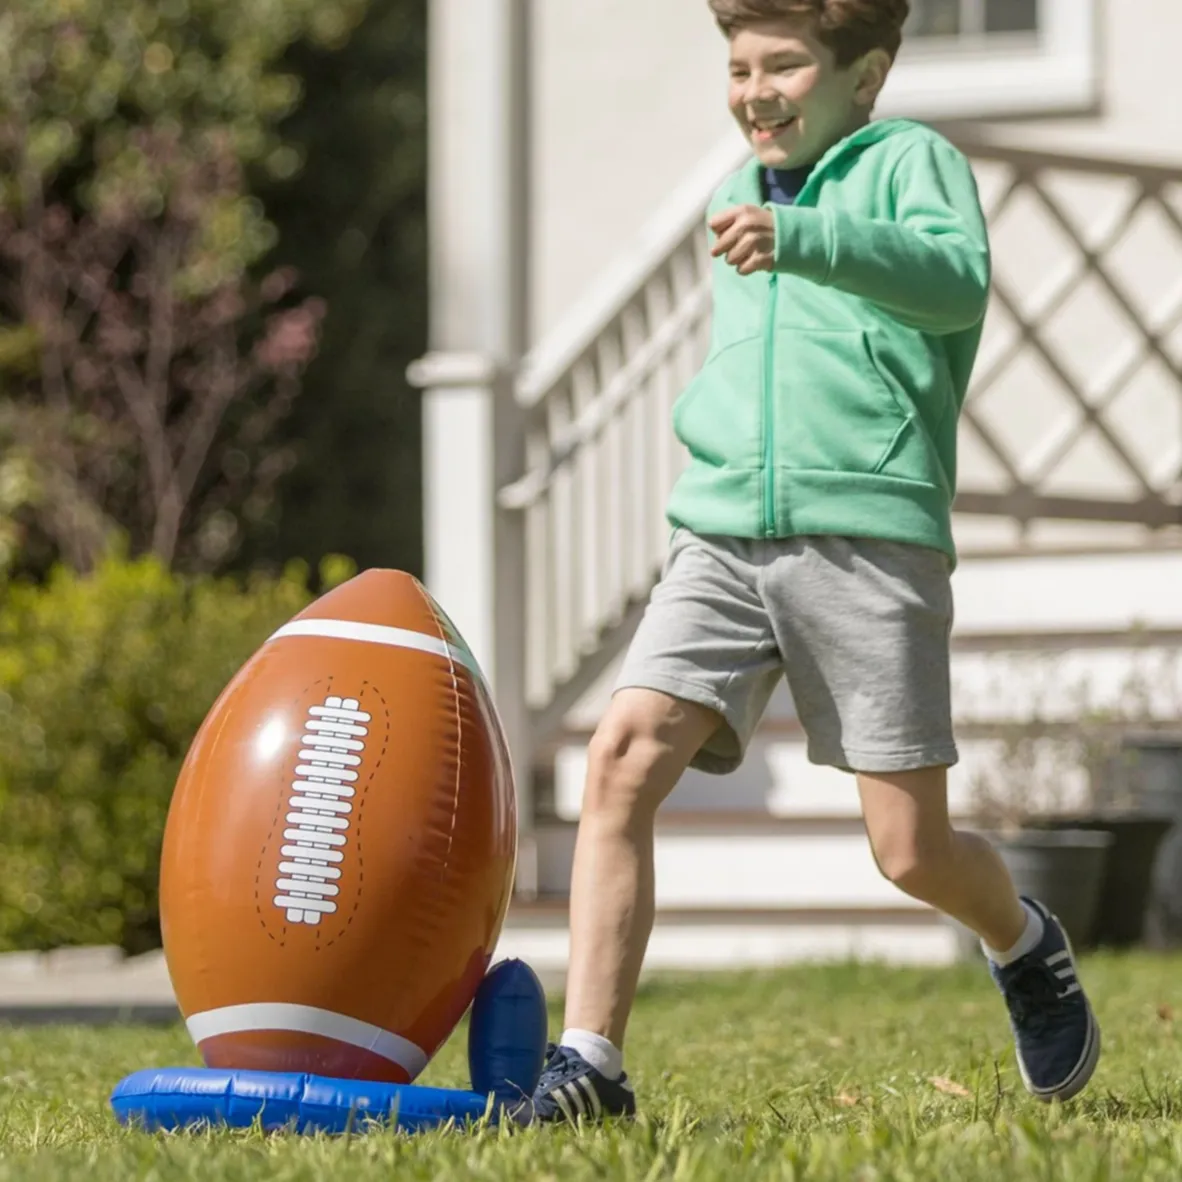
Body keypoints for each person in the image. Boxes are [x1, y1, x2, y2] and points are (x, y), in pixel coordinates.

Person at [519, 0, 1100, 1124]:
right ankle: (590, 1062)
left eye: (784, 64)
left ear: (865, 74)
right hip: (724, 530)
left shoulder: (909, 161)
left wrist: (811, 239)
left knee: (909, 849)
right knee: (622, 759)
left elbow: (953, 281)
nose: (755, 90)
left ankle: (1022, 940)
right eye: (738, 67)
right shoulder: (737, 191)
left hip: (868, 532)